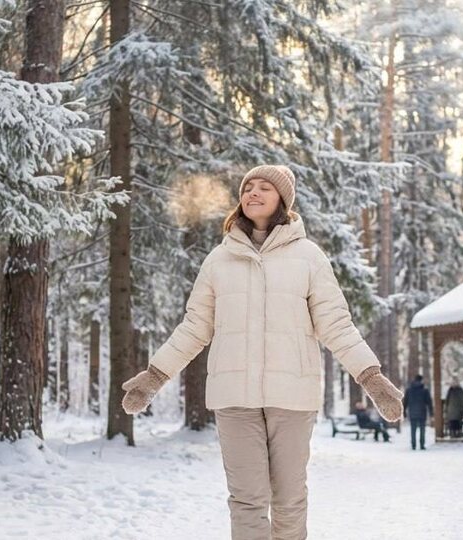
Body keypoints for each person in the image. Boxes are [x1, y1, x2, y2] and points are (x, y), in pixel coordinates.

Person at [119, 165, 405, 540]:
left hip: (292, 396)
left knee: (288, 499)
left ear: (282, 199)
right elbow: (194, 328)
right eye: (247, 187)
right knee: (247, 499)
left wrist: (371, 378)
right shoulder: (218, 261)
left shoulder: (309, 257)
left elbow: (336, 324)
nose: (252, 193)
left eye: (264, 187)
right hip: (234, 396)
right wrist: (154, 377)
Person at [402, 374, 432, 450]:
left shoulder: (409, 390)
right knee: (422, 430)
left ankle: (413, 445)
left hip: (412, 413)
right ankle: (422, 445)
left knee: (413, 430)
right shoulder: (425, 390)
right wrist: (431, 413)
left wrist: (404, 412)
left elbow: (405, 402)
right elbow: (429, 402)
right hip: (422, 412)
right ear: (421, 380)